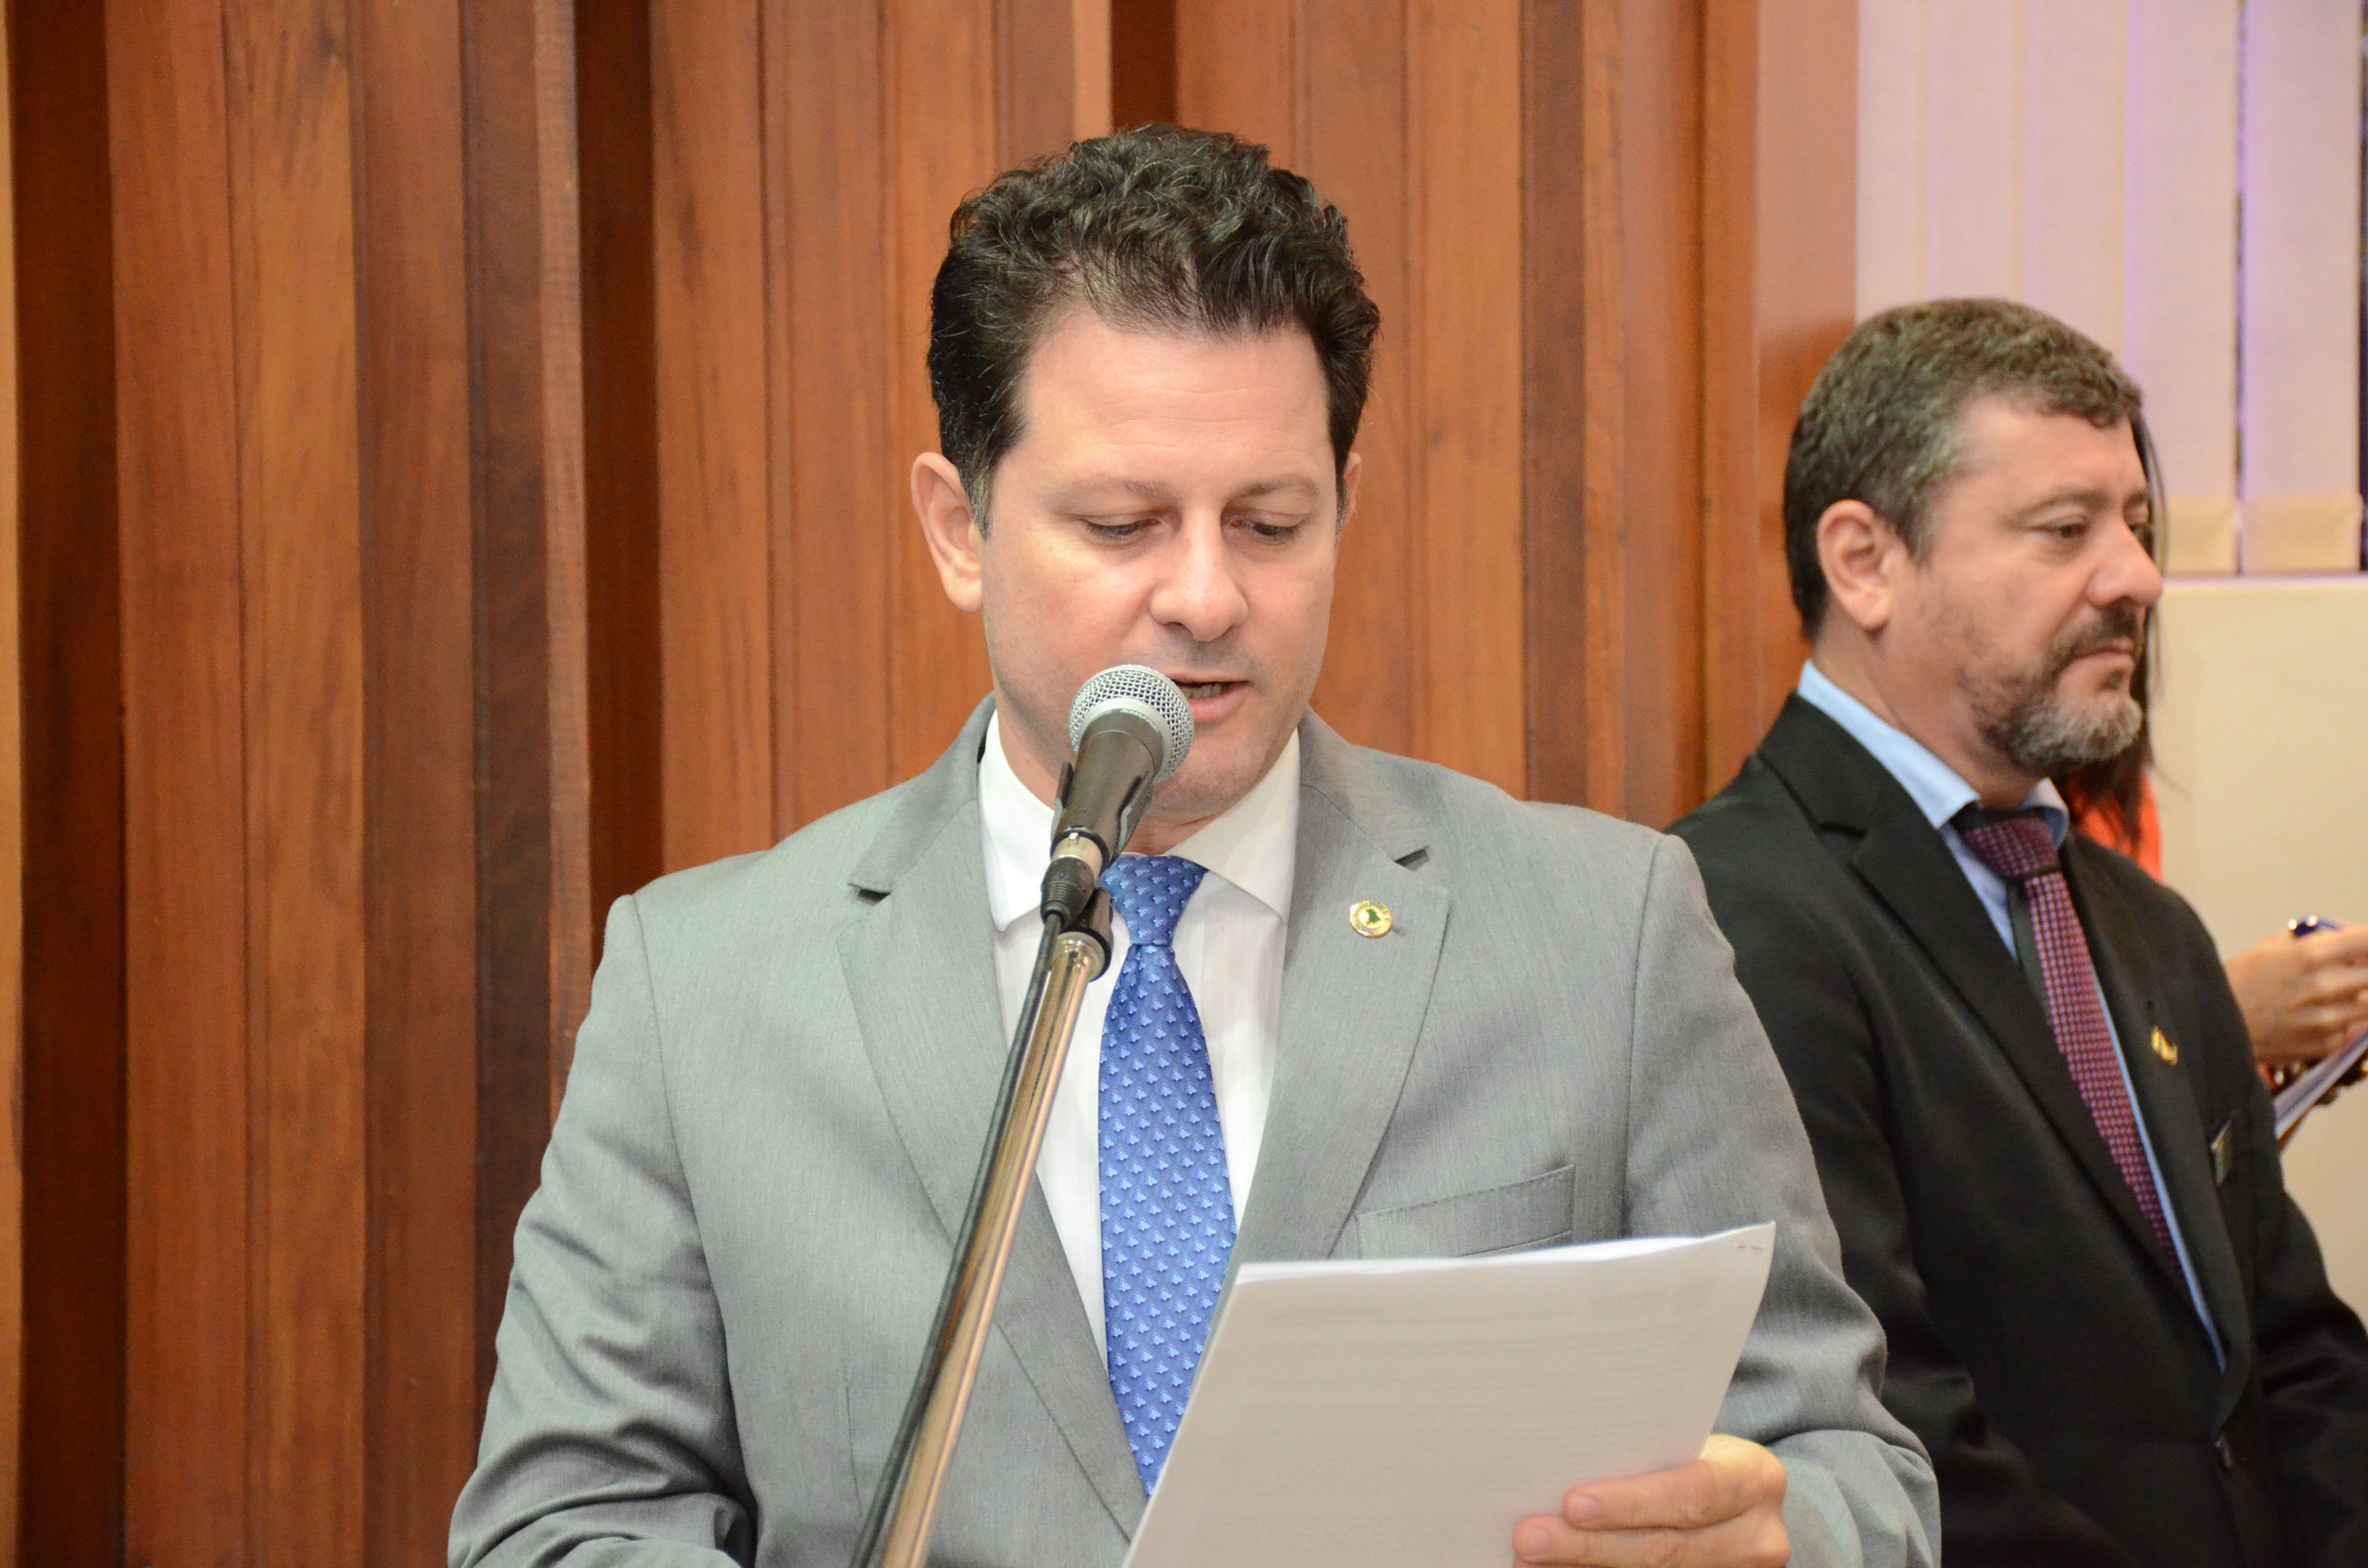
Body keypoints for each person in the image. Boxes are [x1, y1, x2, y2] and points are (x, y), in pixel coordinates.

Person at [450, 129, 1936, 1567]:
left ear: (1347, 507)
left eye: (1271, 524)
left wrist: (1776, 1541)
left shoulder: (1604, 934)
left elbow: (1849, 1469)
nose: (1208, 598)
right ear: (959, 528)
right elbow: (560, 1525)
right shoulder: (701, 989)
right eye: (1122, 524)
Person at [1673, 298, 2368, 1566]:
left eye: (2137, 524)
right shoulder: (1727, 916)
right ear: (1865, 563)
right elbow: (1883, 1418)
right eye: (2065, 530)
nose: (2138, 576)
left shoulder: (2149, 930)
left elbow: (2294, 1356)